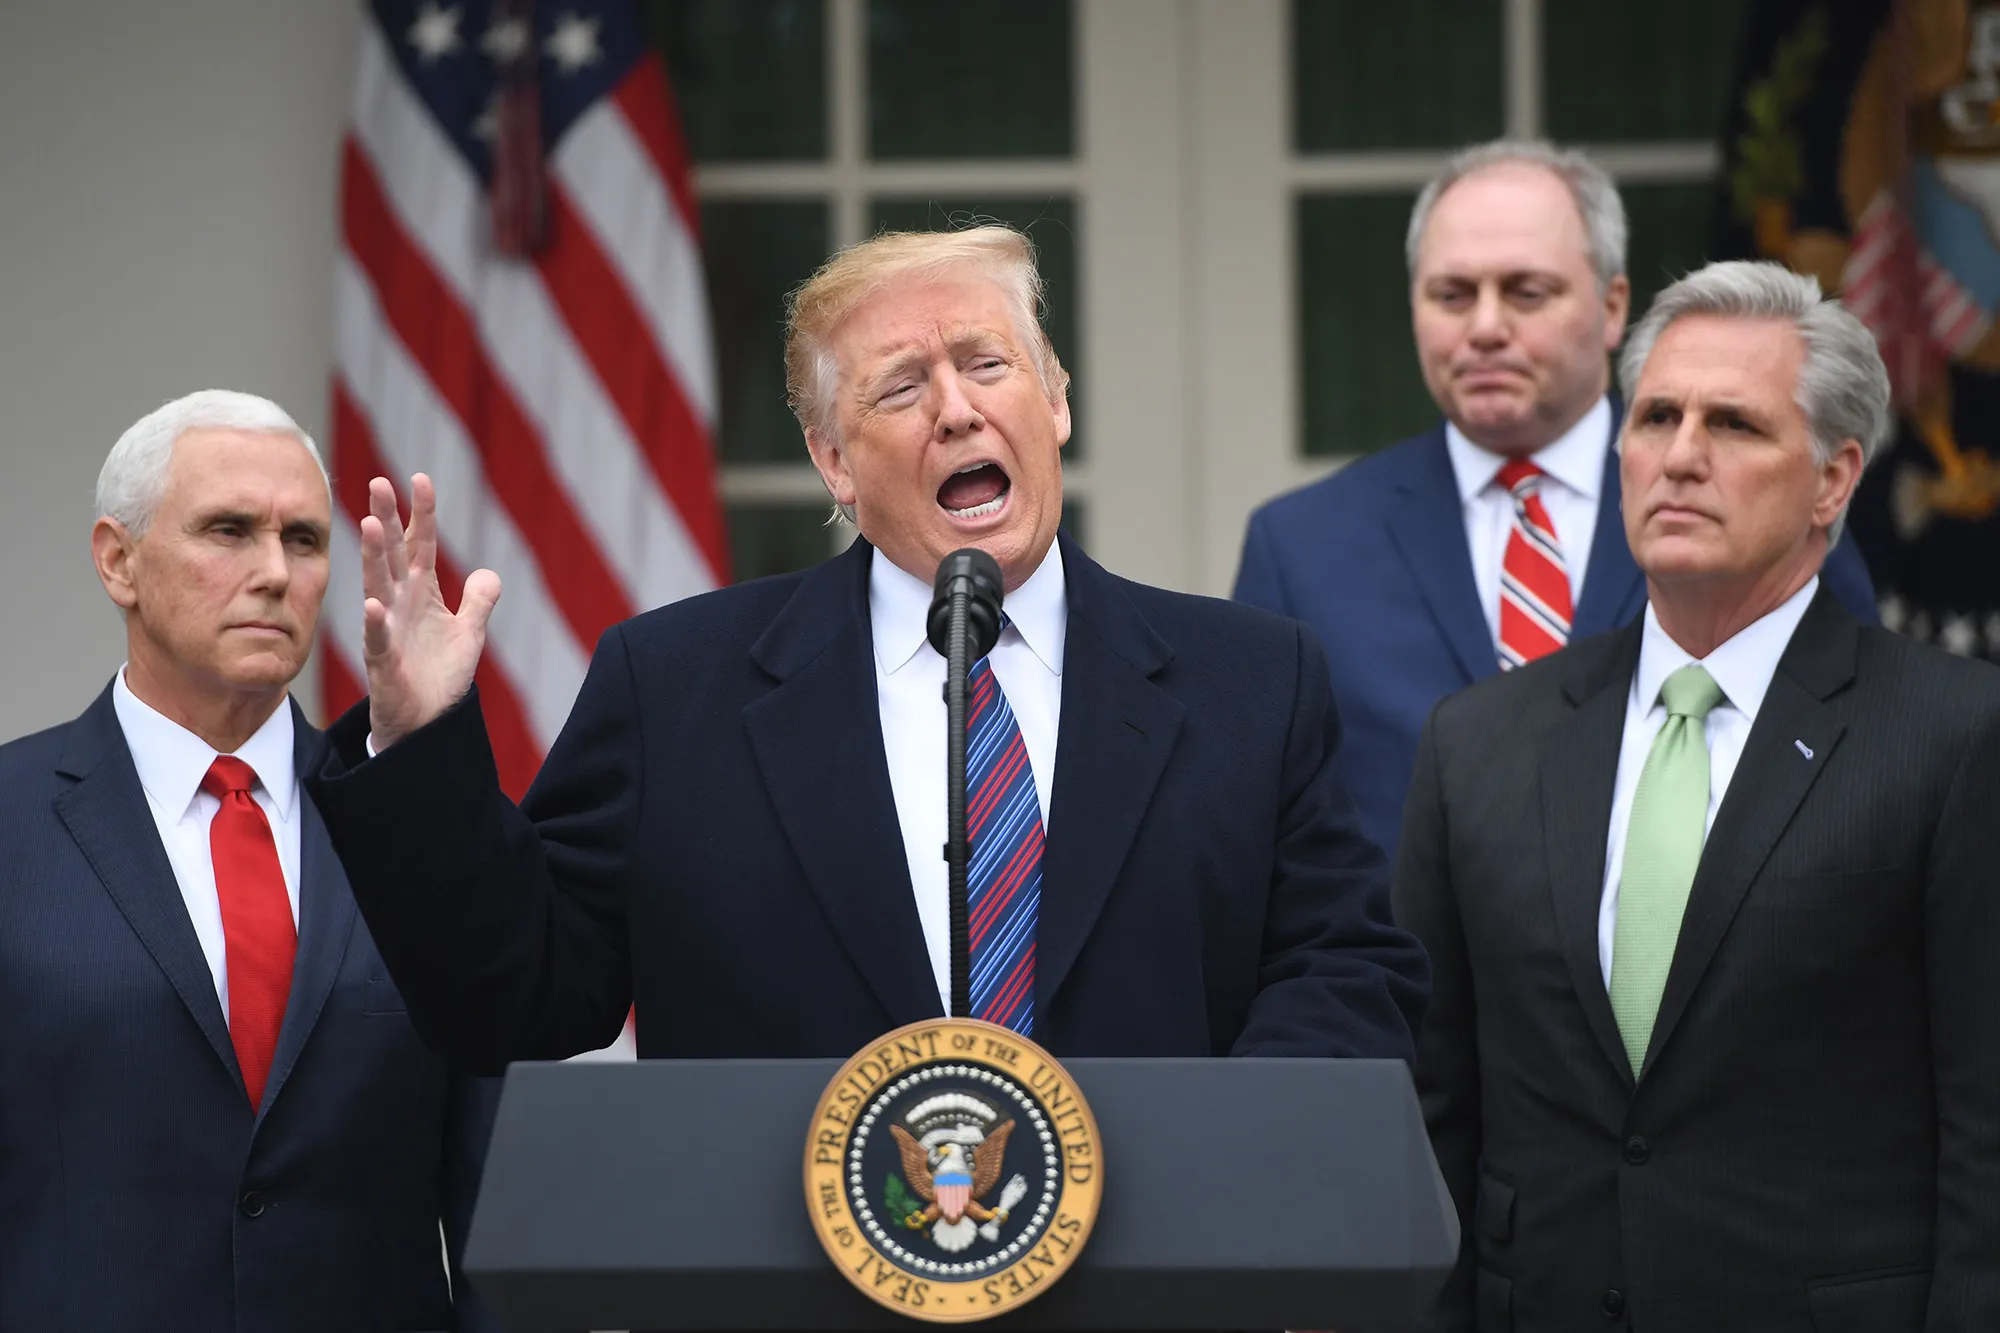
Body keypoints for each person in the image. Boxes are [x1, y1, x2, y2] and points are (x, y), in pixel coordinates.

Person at [302, 226, 1427, 1071]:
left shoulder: (1252, 680)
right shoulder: (675, 690)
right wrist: (420, 744)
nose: (957, 410)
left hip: (1151, 1266)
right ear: (833, 461)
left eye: (988, 365)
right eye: (902, 387)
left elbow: (1342, 968)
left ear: (1055, 403)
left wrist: (1226, 1163)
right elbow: (519, 999)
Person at [1395, 262, 2000, 1331]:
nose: (1679, 455)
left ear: (1832, 479)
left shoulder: (1952, 735)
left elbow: (1984, 1130)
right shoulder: (1476, 743)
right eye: (1655, 417)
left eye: (1733, 424)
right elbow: (1430, 1116)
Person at [0, 392, 499, 1332]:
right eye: (229, 530)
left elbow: (498, 1212)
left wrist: (433, 766)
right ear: (118, 560)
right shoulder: (12, 820)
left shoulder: (420, 825)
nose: (274, 572)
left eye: (304, 540)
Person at [1233, 140, 1877, 859]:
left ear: (1613, 308)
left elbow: (1860, 756)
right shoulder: (1301, 548)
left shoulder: (1760, 506)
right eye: (1452, 295)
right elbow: (1261, 830)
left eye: (1526, 292)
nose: (1484, 328)